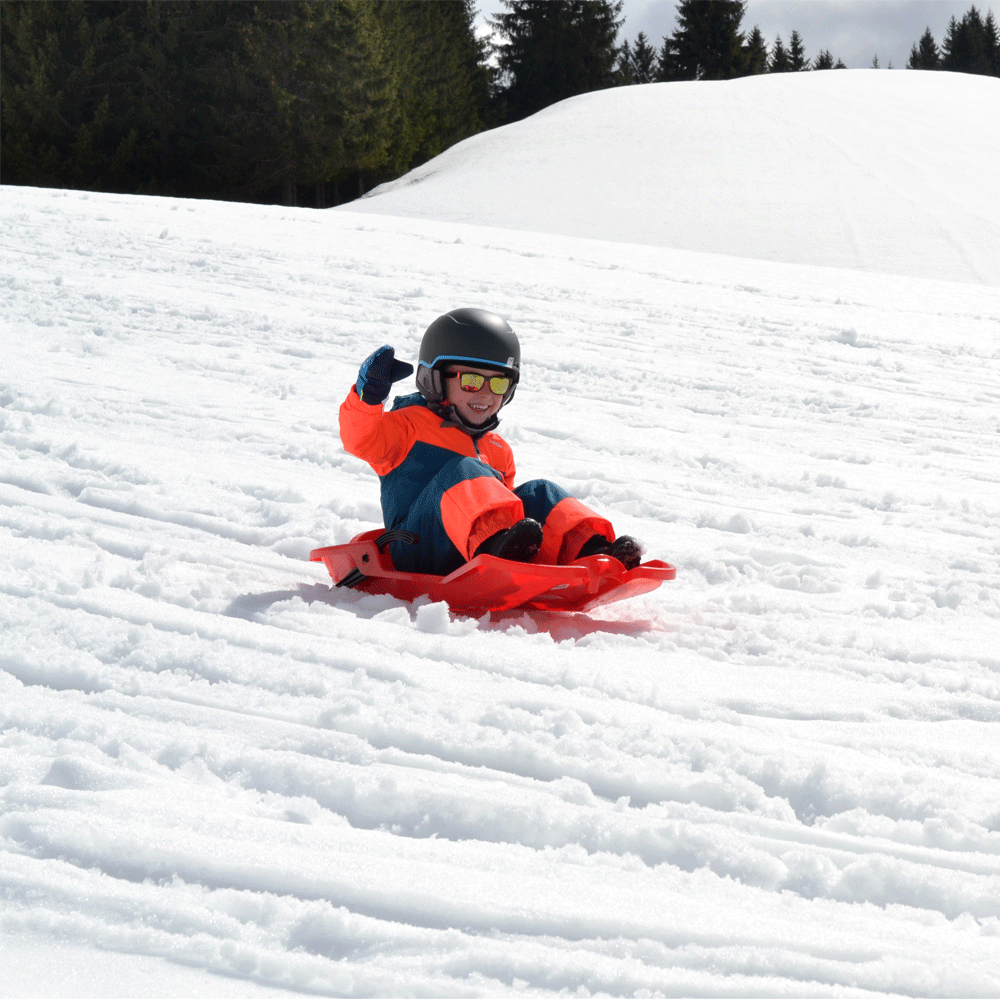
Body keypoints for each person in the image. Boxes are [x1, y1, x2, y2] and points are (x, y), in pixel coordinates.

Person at [339, 307, 642, 577]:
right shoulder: (407, 427)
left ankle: (593, 552)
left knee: (540, 492)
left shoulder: (497, 449)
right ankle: (495, 546)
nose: (484, 394)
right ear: (435, 379)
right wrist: (369, 396)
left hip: (476, 550)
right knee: (463, 469)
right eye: (471, 381)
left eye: (497, 383)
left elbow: (504, 503)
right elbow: (360, 438)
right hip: (417, 548)